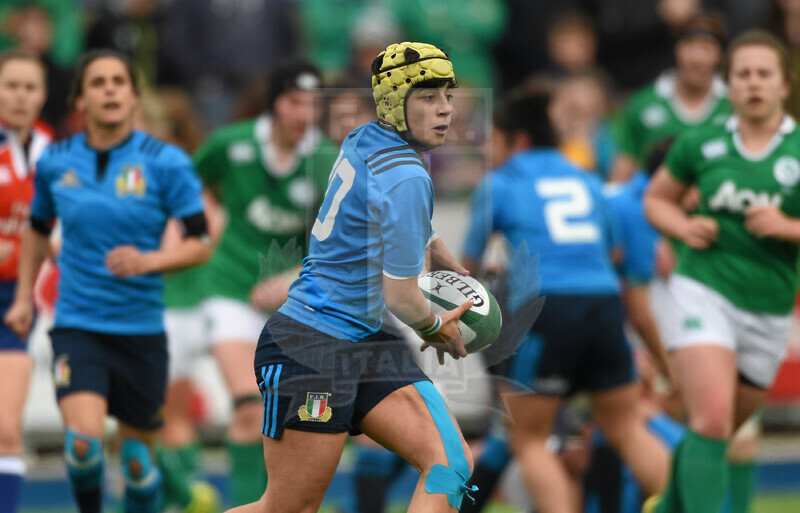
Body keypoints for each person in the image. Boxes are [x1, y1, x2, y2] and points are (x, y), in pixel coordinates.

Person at [227, 42, 476, 513]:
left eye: (448, 95)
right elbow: (401, 297)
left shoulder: (364, 136)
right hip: (311, 342)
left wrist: (427, 237)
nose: (445, 108)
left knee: (451, 464)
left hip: (366, 338)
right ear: (393, 104)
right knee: (288, 508)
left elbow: (375, 204)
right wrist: (434, 326)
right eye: (428, 97)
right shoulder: (408, 175)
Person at [4, 49, 210, 513]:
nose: (110, 89)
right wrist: (22, 297)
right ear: (80, 100)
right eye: (98, 82)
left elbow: (200, 241)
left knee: (137, 462)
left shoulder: (166, 162)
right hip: (78, 326)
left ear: (134, 97)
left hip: (141, 333)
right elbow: (36, 230)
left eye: (119, 81)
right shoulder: (56, 161)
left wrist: (151, 260)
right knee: (82, 444)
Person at [462, 86, 668, 513]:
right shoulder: (587, 179)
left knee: (529, 439)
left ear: (518, 139)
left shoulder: (501, 183)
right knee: (627, 428)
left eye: (494, 138)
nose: (489, 148)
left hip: (547, 307)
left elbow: (465, 268)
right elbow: (613, 252)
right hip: (604, 301)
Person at [159, 60, 339, 507]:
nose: (304, 114)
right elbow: (185, 184)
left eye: (313, 105)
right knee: (248, 410)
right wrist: (195, 227)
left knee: (296, 419)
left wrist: (294, 277)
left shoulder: (329, 160)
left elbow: (343, 244)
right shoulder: (230, 143)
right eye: (294, 102)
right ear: (274, 103)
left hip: (295, 303)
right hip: (229, 291)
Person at [643, 29, 800, 513]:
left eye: (763, 73)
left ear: (784, 85)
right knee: (711, 420)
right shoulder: (701, 143)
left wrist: (788, 227)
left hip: (769, 306)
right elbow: (656, 200)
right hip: (702, 290)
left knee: (719, 431)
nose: (753, 82)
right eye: (743, 74)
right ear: (728, 85)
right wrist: (683, 227)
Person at [0, 49, 50, 513]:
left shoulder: (54, 152)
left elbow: (58, 227)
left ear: (42, 95)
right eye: (10, 86)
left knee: (5, 430)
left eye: (29, 87)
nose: (19, 96)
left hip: (15, 301)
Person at [610, 14, 730, 182]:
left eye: (706, 48)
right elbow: (625, 165)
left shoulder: (734, 104)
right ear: (676, 49)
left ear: (720, 55)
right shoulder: (644, 103)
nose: (697, 58)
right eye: (690, 45)